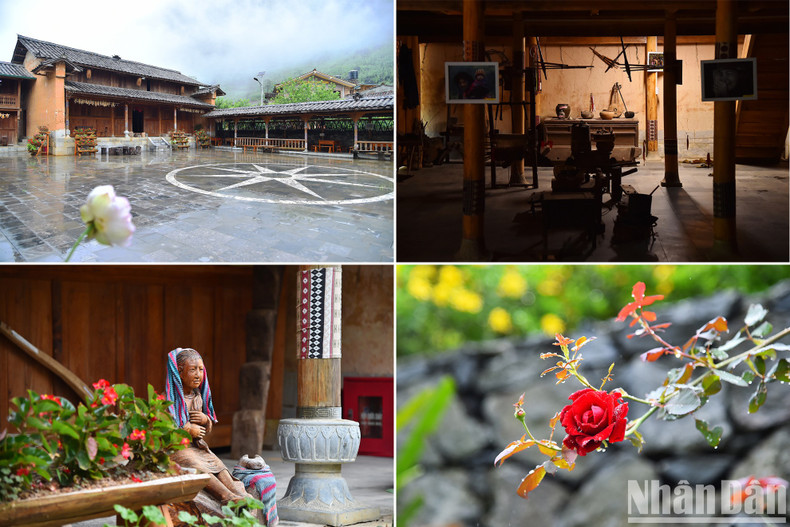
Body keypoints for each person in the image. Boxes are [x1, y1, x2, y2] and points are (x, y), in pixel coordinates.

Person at [165, 347, 249, 505]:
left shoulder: (197, 397)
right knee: (199, 467)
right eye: (192, 370)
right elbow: (166, 430)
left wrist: (205, 420)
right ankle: (226, 496)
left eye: (201, 369)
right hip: (177, 449)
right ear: (180, 372)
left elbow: (207, 429)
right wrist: (187, 429)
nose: (198, 374)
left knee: (218, 465)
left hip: (197, 447)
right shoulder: (169, 400)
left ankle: (238, 492)